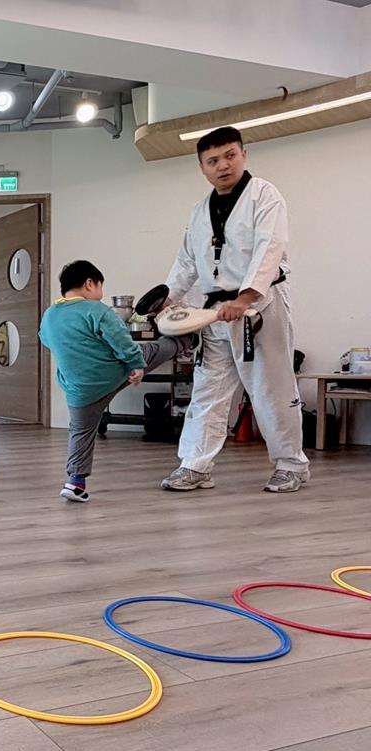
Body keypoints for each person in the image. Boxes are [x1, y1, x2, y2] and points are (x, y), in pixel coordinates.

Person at [160, 126, 310, 493]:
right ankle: (195, 465)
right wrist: (168, 298)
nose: (223, 166)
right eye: (213, 161)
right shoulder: (200, 211)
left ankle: (291, 465)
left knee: (271, 388)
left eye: (230, 155)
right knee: (207, 390)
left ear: (243, 154)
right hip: (214, 312)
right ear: (202, 168)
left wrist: (245, 299)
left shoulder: (264, 196)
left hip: (260, 307)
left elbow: (270, 247)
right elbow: (187, 261)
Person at [39, 260, 193, 502]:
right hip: (112, 372)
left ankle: (75, 483)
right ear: (89, 283)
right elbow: (122, 340)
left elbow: (46, 340)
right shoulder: (96, 310)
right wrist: (137, 365)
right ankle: (188, 339)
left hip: (79, 388)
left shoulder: (50, 315)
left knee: (81, 431)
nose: (101, 293)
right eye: (101, 286)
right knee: (151, 350)